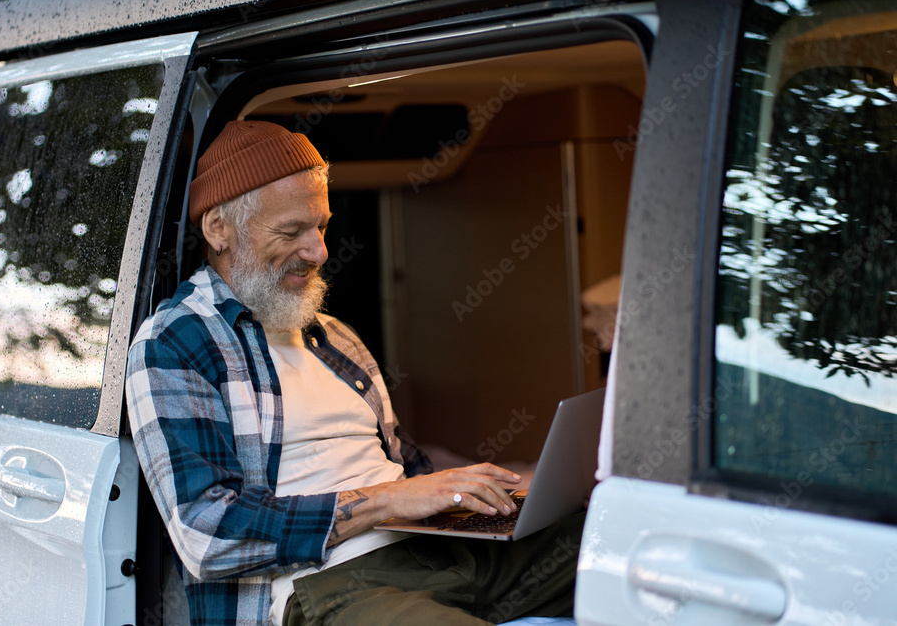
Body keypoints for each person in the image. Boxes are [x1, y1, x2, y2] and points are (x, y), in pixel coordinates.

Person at [125, 120, 584, 626]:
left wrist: (499, 494)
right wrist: (390, 499)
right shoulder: (174, 344)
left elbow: (406, 469)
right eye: (292, 231)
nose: (319, 251)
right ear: (218, 229)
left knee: (625, 544)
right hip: (329, 582)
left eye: (320, 225)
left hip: (437, 551)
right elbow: (207, 535)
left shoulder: (335, 336)